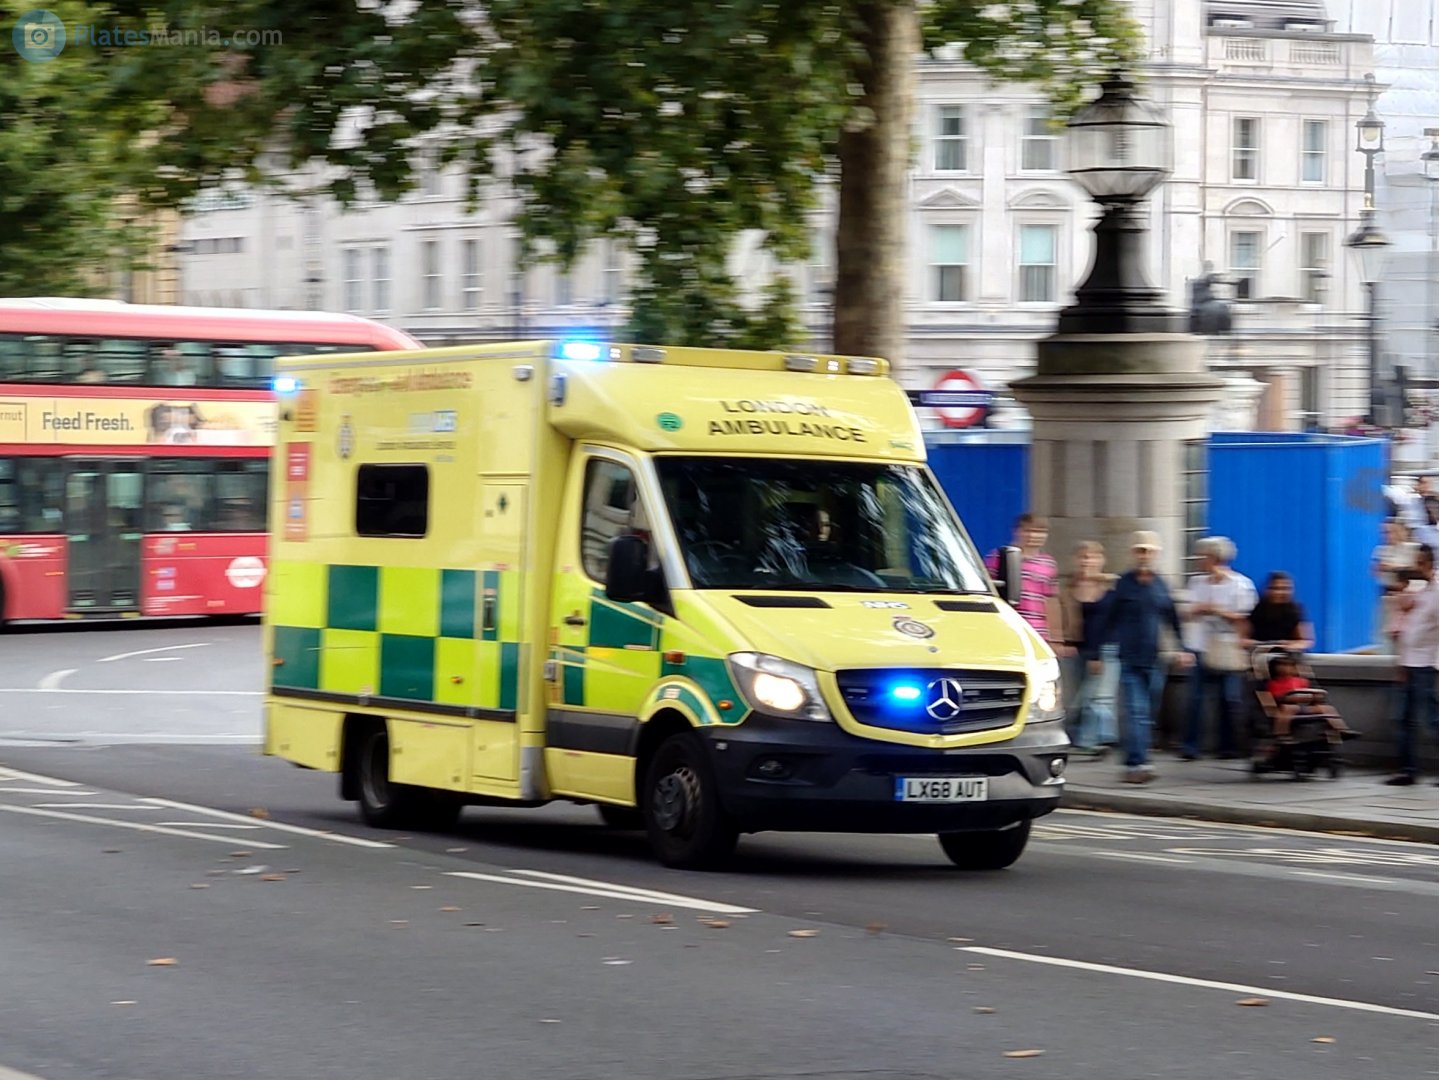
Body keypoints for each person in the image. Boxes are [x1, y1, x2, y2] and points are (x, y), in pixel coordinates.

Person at [1096, 531, 1194, 784]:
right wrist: (1097, 653)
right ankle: (1138, 764)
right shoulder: (1124, 583)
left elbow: (1172, 618)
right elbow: (1109, 619)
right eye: (1140, 550)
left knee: (1147, 712)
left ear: (1155, 554)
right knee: (1136, 711)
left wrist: (1182, 648)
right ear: (1134, 553)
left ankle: (1136, 760)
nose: (1144, 555)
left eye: (1149, 551)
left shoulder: (1161, 585)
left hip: (1154, 659)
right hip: (1129, 659)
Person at [1180, 536, 1256, 761]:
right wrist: (1199, 609)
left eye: (1202, 556)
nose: (1198, 560)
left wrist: (1218, 611)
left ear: (1215, 558)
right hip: (1200, 646)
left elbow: (1245, 618)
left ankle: (1228, 746)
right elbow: (1186, 612)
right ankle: (1191, 746)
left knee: (1229, 699)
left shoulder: (1240, 584)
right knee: (1195, 699)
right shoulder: (1196, 583)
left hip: (1227, 648)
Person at [1058, 540, 1119, 757]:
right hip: (1077, 649)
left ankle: (1089, 741)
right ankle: (1093, 737)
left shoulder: (1111, 587)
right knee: (1078, 696)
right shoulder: (1069, 587)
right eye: (1083, 557)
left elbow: (1111, 623)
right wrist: (1063, 642)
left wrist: (1097, 655)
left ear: (1101, 560)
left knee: (1094, 696)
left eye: (1092, 557)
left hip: (1105, 649)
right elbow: (1063, 618)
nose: (1087, 561)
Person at [1385, 543, 1438, 786]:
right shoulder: (1417, 593)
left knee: (1433, 719)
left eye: (1420, 563)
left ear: (1429, 564)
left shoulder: (1436, 595)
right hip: (1408, 665)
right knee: (1403, 719)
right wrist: (1401, 666)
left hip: (1425, 665)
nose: (1417, 567)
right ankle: (1407, 770)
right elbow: (1404, 628)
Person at [985, 512, 1066, 653]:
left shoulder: (1049, 563)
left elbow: (1051, 602)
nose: (1033, 536)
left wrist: (1056, 638)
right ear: (1017, 531)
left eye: (1040, 532)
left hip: (1038, 633)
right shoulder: (998, 557)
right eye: (1028, 530)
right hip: (1007, 627)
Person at [1262, 653, 1356, 744]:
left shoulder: (1301, 681)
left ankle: (1340, 729)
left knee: (1326, 708)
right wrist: (1291, 698)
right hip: (1286, 707)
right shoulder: (1274, 683)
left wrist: (1313, 696)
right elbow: (1276, 698)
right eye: (1282, 666)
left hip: (1304, 706)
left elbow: (1312, 693)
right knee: (1288, 708)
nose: (1285, 668)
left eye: (1289, 666)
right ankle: (1281, 734)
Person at [1372, 519, 1419, 650]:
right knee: (1385, 635)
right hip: (1389, 597)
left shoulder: (1412, 549)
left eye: (1391, 532)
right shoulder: (1381, 550)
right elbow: (1376, 571)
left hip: (1408, 598)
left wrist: (1393, 568)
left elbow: (1414, 570)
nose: (1387, 536)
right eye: (1384, 532)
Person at [1242, 571, 1314, 651]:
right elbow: (1244, 639)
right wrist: (1261, 645)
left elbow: (1306, 641)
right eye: (1276, 588)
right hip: (1259, 653)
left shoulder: (1296, 611)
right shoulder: (1257, 610)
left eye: (1285, 589)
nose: (1280, 592)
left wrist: (1288, 646)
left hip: (1287, 654)